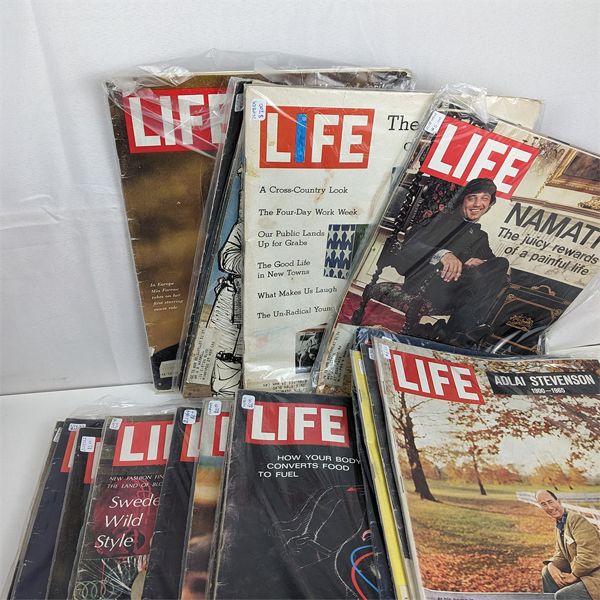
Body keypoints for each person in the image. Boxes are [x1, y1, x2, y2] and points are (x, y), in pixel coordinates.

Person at [392, 177, 509, 345]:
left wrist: (477, 264)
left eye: (484, 199)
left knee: (500, 264)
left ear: (489, 205)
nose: (478, 204)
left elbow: (492, 267)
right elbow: (409, 248)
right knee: (490, 275)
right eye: (472, 198)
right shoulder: (440, 220)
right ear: (462, 200)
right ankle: (454, 334)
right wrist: (443, 254)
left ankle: (450, 332)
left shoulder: (480, 236)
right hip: (427, 284)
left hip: (458, 292)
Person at [536, 489, 600, 600]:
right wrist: (551, 565)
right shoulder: (560, 524)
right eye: (544, 504)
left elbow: (589, 554)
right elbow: (561, 554)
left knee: (563, 595)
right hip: (585, 573)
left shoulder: (576, 520)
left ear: (558, 501)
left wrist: (574, 575)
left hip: (595, 576)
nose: (549, 507)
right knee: (547, 571)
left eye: (550, 502)